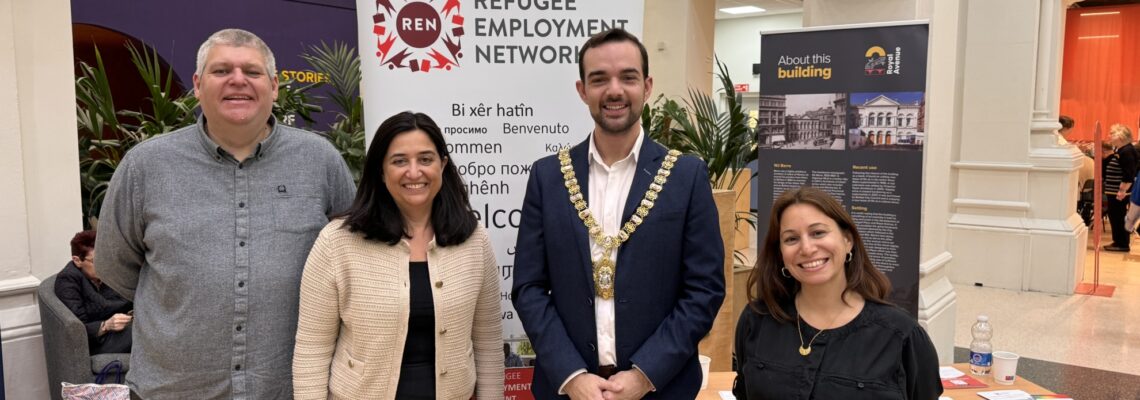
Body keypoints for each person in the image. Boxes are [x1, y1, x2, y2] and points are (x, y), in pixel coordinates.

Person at [95, 28, 356, 399]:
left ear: (275, 86)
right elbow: (114, 264)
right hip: (174, 389)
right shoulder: (146, 166)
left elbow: (353, 256)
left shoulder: (321, 161)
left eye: (252, 71)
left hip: (285, 387)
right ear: (199, 86)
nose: (238, 81)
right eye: (222, 71)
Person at [512, 28, 725, 399]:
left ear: (647, 86)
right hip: (568, 390)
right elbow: (529, 288)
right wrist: (571, 374)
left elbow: (704, 289)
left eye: (628, 77)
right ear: (582, 91)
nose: (614, 90)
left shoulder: (686, 176)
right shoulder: (547, 177)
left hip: (661, 388)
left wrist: (645, 374)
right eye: (599, 79)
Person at [293, 112, 502, 400]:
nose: (414, 172)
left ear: (442, 165)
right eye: (399, 160)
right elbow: (312, 350)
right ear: (381, 170)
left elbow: (487, 341)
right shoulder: (338, 242)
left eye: (426, 159)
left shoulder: (473, 239)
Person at [733, 187, 942, 399]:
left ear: (847, 240)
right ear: (781, 253)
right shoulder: (756, 320)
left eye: (818, 233)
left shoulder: (902, 336)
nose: (806, 248)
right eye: (791, 239)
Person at [55, 230, 133, 355]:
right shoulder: (67, 280)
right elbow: (76, 328)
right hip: (96, 342)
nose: (103, 265)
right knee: (147, 334)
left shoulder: (105, 274)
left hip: (122, 329)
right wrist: (105, 325)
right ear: (77, 260)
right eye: (95, 261)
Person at [1103, 124, 1136, 252]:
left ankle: (1121, 243)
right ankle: (1118, 241)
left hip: (1119, 192)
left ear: (1120, 136)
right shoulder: (1121, 150)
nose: (1109, 136)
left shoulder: (1126, 151)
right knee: (1115, 216)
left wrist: (1123, 190)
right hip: (1115, 191)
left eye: (1112, 133)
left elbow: (1129, 173)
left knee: (1118, 216)